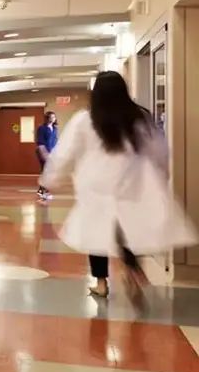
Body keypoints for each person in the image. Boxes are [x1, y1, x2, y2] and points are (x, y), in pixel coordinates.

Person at [40, 71, 196, 305]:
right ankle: (132, 265)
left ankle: (101, 283)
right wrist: (162, 175)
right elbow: (159, 150)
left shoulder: (85, 119)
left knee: (96, 233)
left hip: (96, 184)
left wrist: (49, 178)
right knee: (130, 227)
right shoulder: (139, 117)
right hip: (133, 180)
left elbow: (65, 153)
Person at [36, 111, 58, 200]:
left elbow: (55, 141)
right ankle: (44, 192)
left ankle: (41, 190)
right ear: (47, 118)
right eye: (51, 117)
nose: (53, 119)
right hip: (43, 152)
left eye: (54, 117)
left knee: (48, 172)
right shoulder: (42, 128)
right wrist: (44, 154)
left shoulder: (54, 128)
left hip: (51, 152)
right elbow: (40, 142)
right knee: (46, 171)